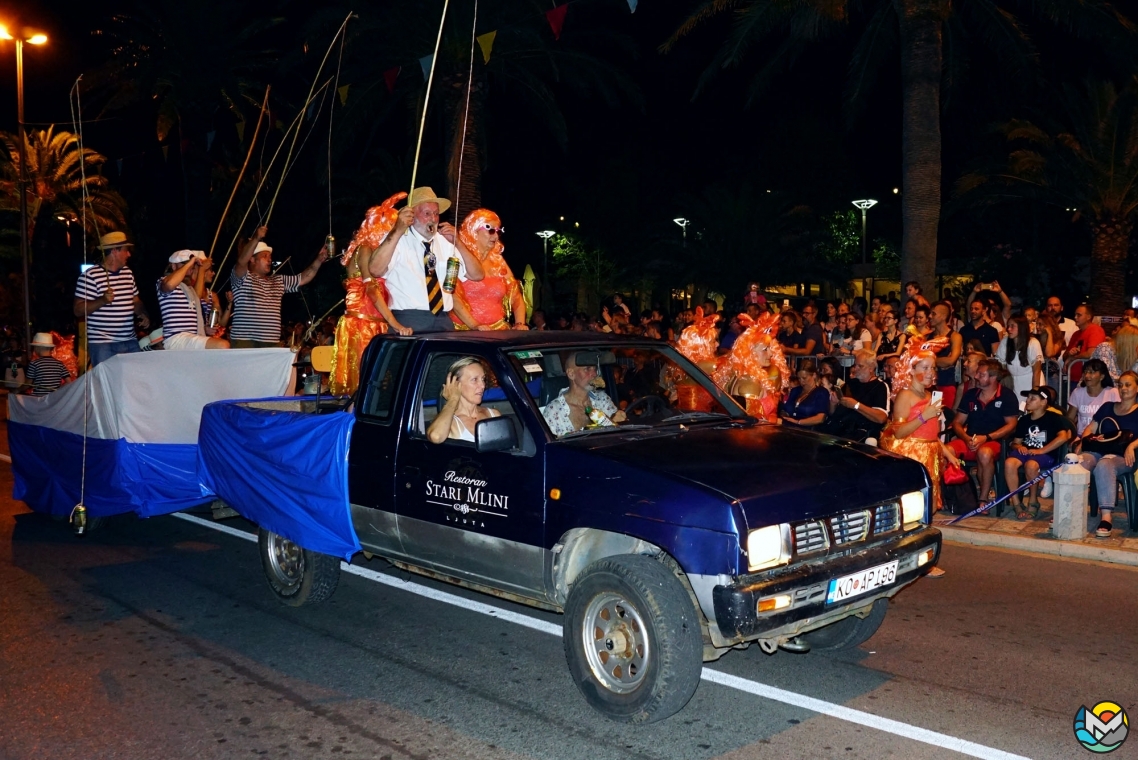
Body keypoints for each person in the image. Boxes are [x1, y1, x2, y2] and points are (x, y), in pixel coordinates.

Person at [366, 186, 485, 333]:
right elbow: (375, 270)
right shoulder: (398, 239)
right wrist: (397, 230)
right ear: (412, 215)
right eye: (427, 213)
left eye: (436, 214)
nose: (433, 219)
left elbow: (477, 275)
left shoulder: (446, 243)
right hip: (408, 321)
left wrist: (458, 242)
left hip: (443, 321)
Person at [330, 194, 414, 396]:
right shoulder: (366, 249)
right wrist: (396, 324)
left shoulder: (373, 252)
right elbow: (371, 290)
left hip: (371, 324)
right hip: (363, 325)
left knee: (370, 385)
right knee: (365, 384)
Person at [880, 337, 960, 541]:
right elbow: (898, 433)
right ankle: (912, 549)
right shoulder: (905, 395)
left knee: (929, 507)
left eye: (933, 368)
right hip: (912, 458)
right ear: (911, 369)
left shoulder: (931, 395)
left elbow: (932, 435)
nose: (931, 372)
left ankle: (922, 550)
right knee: (913, 508)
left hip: (930, 456)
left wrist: (948, 454)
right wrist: (926, 415)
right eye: (925, 367)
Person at [230, 226, 329, 348]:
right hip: (244, 341)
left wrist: (319, 260)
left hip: (271, 342)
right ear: (252, 259)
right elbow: (241, 262)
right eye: (264, 256)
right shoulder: (242, 278)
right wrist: (256, 238)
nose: (269, 260)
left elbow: (303, 278)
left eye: (270, 256)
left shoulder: (279, 280)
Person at [73, 231, 152, 366]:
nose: (129, 254)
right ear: (115, 251)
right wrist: (102, 301)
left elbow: (135, 301)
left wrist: (143, 313)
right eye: (126, 250)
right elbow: (78, 310)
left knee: (135, 381)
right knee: (108, 384)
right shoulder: (90, 276)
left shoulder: (128, 273)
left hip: (129, 340)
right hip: (103, 344)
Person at [1075, 370, 1138, 538]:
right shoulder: (1108, 407)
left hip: (1125, 456)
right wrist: (1083, 441)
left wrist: (1132, 445)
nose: (1123, 388)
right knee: (1078, 462)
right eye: (1120, 385)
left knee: (1105, 465)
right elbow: (1092, 428)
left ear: (1137, 388)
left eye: (1128, 384)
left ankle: (1106, 517)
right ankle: (1069, 509)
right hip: (1099, 450)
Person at [950, 358, 1019, 509]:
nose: (976, 377)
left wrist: (987, 437)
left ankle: (983, 499)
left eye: (981, 375)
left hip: (993, 441)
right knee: (946, 450)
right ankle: (950, 496)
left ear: (993, 377)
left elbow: (1012, 424)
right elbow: (957, 422)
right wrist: (965, 437)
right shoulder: (971, 395)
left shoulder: (1007, 396)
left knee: (985, 453)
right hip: (970, 439)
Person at [1005, 386, 1070, 519]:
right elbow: (1015, 442)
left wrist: (1041, 450)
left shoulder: (1053, 418)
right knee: (1009, 463)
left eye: (1032, 398)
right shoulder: (1024, 419)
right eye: (1028, 397)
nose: (1027, 400)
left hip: (1045, 454)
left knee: (1031, 465)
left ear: (1043, 402)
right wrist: (1018, 447)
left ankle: (1033, 501)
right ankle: (1016, 503)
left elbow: (1064, 437)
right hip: (1026, 451)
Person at [157, 250, 230, 350]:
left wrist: (205, 329)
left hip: (190, 339)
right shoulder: (163, 281)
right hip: (176, 339)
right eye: (185, 263)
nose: (190, 266)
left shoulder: (190, 289)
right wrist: (191, 263)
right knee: (222, 346)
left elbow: (197, 297)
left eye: (192, 264)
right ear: (173, 266)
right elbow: (169, 284)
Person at [542, 352, 627, 436]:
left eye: (595, 369)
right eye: (587, 369)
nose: (594, 374)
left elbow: (618, 434)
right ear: (571, 374)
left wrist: (618, 421)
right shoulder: (553, 412)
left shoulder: (602, 399)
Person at [426, 357, 502, 443]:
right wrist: (453, 399)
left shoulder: (494, 414)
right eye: (474, 380)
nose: (482, 385)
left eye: (483, 379)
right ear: (456, 384)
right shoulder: (451, 423)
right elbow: (436, 436)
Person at [821, 349, 889, 443]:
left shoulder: (880, 386)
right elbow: (833, 413)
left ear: (871, 368)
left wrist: (856, 405)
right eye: (855, 365)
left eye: (860, 366)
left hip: (860, 434)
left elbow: (881, 418)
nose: (856, 368)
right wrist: (833, 403)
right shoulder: (850, 384)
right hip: (841, 430)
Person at [996, 315, 1043, 407]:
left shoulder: (1033, 343)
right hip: (1013, 383)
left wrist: (1034, 393)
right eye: (1008, 326)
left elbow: (1036, 371)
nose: (1008, 329)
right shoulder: (1005, 342)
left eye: (1012, 326)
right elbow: (1001, 367)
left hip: (1030, 381)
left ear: (1021, 328)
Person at [1066, 358, 1119, 434]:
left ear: (1102, 376)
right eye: (1085, 372)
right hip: (1082, 436)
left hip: (1104, 436)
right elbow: (1069, 420)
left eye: (1091, 372)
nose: (1087, 375)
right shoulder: (1077, 392)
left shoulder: (1112, 392)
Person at [929, 302, 963, 412]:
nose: (930, 316)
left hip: (946, 384)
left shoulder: (955, 336)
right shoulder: (927, 336)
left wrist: (930, 361)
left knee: (945, 417)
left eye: (933, 314)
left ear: (943, 316)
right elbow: (917, 360)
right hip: (929, 385)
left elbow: (951, 360)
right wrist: (940, 362)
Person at [779, 360, 829, 428]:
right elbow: (785, 410)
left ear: (814, 375)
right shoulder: (795, 390)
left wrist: (798, 422)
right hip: (789, 428)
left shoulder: (821, 392)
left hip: (809, 431)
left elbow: (820, 418)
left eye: (804, 378)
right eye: (799, 378)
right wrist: (784, 415)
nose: (801, 381)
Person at [1064, 303, 1105, 384]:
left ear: (1088, 317)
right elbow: (1065, 356)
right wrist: (1069, 354)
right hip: (1072, 378)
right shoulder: (1076, 334)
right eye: (1075, 315)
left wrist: (1073, 358)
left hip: (1086, 380)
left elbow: (1091, 353)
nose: (1075, 317)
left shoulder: (1095, 330)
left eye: (1079, 315)